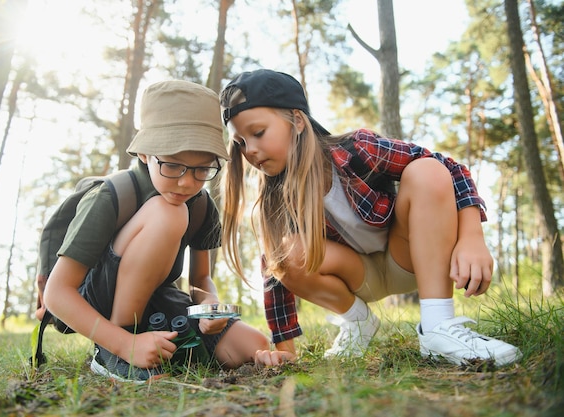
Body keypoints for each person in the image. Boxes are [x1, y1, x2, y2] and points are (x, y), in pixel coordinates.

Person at [219, 68, 521, 367]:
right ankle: (358, 322)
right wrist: (285, 350)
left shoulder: (358, 150)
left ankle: (438, 327)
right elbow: (275, 278)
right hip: (358, 278)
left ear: (297, 120)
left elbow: (450, 168)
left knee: (427, 169)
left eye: (258, 133)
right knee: (282, 252)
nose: (251, 151)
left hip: (410, 259)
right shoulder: (274, 203)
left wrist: (471, 237)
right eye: (241, 143)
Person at [44, 79, 270, 382]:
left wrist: (208, 304)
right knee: (169, 214)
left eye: (202, 169)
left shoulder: (201, 206)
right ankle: (113, 351)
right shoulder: (111, 197)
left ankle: (163, 343)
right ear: (145, 154)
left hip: (161, 300)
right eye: (173, 165)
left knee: (254, 346)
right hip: (104, 304)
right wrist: (126, 344)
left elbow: (201, 278)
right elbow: (57, 293)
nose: (187, 183)